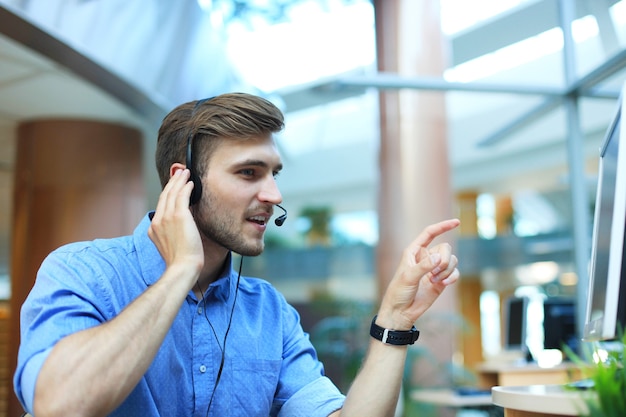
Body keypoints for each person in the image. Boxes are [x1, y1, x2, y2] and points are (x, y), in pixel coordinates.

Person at [14, 92, 460, 417]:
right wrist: (180, 272)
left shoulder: (269, 312)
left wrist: (395, 321)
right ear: (183, 182)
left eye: (274, 174)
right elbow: (60, 405)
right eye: (249, 173)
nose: (274, 194)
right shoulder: (83, 272)